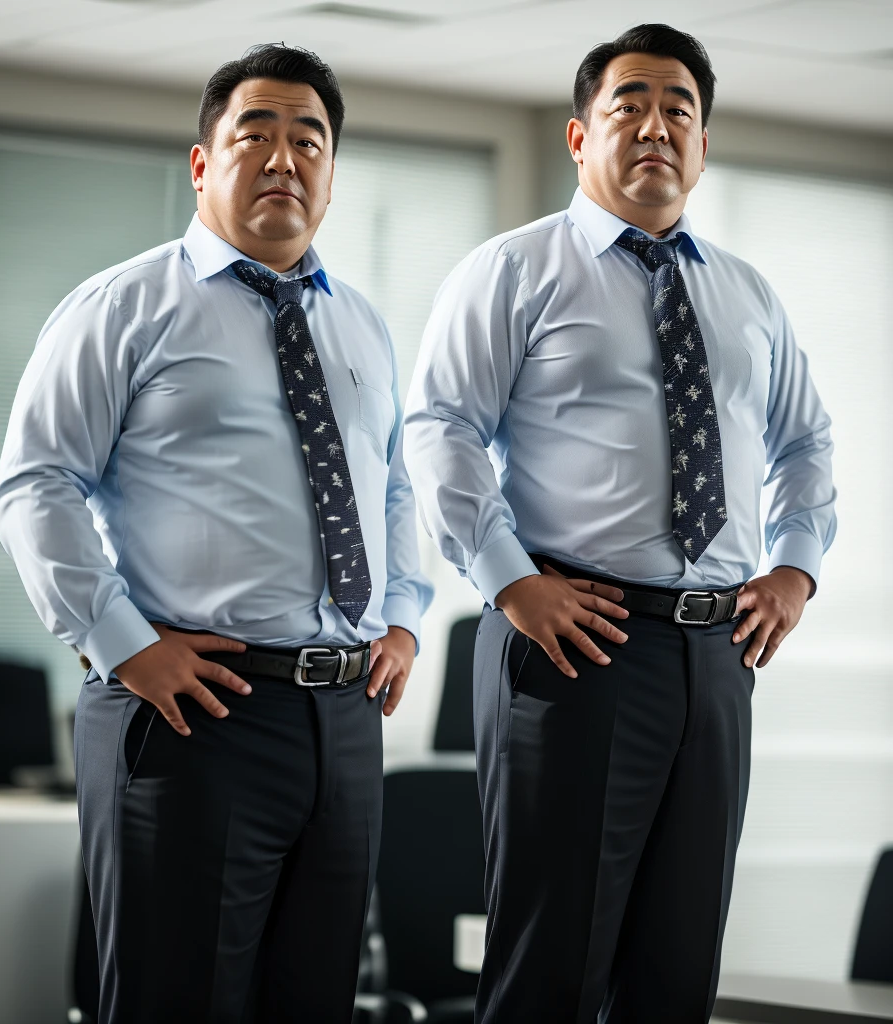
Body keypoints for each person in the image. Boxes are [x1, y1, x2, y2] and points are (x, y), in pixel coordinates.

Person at [403, 23, 835, 1024]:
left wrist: (795, 569)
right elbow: (439, 432)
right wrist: (510, 582)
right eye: (627, 106)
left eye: (676, 108)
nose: (653, 126)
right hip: (574, 640)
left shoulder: (746, 293)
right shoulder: (511, 271)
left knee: (677, 970)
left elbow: (806, 442)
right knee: (552, 966)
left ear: (701, 141)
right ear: (577, 136)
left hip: (716, 653)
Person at [0, 43, 432, 1023]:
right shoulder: (122, 307)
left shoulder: (359, 322)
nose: (284, 156)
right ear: (202, 162)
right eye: (256, 133)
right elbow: (34, 484)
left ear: (330, 172)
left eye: (308, 138)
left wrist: (401, 617)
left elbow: (394, 485)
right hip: (194, 713)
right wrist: (124, 646)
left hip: (343, 720)